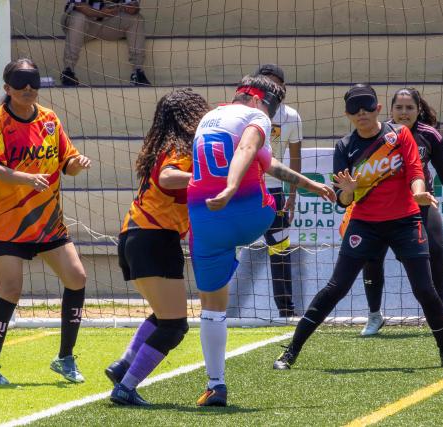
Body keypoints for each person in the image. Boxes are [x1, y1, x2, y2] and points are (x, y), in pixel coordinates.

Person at [273, 84, 443, 372]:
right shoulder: (344, 147)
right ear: (347, 114)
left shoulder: (399, 135)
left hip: (406, 221)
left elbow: (415, 171)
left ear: (377, 109)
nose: (361, 113)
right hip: (365, 224)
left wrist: (417, 193)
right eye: (354, 108)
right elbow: (342, 200)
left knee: (424, 289)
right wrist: (349, 191)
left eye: (366, 106)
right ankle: (291, 352)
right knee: (335, 288)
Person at [188, 75, 335, 406]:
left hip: (203, 219)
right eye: (270, 108)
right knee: (274, 212)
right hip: (251, 214)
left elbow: (269, 162)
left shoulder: (208, 118)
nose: (270, 115)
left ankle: (216, 384)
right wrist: (230, 187)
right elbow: (248, 148)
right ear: (257, 101)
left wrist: (312, 185)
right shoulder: (257, 117)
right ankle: (267, 242)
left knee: (212, 308)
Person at [0, 58, 91, 385]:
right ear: (7, 88)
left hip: (47, 220)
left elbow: (65, 161)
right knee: (10, 291)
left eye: (33, 83)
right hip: (5, 220)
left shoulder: (50, 119)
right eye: (21, 83)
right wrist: (27, 179)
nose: (28, 89)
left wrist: (76, 163)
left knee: (77, 277)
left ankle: (66, 358)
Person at [104, 89, 209, 406]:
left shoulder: (164, 145)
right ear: (190, 117)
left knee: (165, 317)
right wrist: (208, 178)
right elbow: (168, 177)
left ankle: (123, 366)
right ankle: (126, 387)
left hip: (137, 237)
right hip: (152, 238)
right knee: (175, 326)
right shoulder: (179, 149)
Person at [345, 88, 443, 336]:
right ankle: (374, 316)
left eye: (409, 108)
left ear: (418, 110)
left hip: (420, 204)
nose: (404, 113)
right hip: (379, 208)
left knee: (436, 251)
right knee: (371, 257)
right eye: (399, 108)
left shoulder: (430, 136)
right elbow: (356, 178)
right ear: (390, 110)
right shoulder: (376, 134)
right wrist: (349, 210)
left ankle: (438, 316)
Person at [254, 64, 303, 317]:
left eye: (274, 83)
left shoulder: (291, 116)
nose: (269, 88)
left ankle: (286, 311)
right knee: (230, 246)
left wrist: (292, 196)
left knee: (280, 250)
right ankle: (219, 308)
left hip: (274, 194)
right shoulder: (244, 112)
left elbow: (295, 160)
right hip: (244, 190)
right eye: (264, 82)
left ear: (283, 88)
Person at [60, 0, 150, 86]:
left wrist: (132, 8)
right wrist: (101, 13)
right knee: (78, 17)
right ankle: (68, 71)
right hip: (84, 26)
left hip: (108, 23)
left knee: (137, 19)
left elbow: (134, 5)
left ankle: (138, 72)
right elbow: (79, 5)